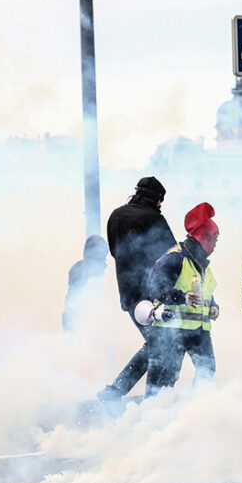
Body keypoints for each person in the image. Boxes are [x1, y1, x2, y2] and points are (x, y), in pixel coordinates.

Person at [96, 177, 176, 413]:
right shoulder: (154, 218)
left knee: (156, 343)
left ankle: (119, 391)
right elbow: (171, 255)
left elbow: (114, 252)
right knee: (160, 344)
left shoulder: (115, 216)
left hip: (129, 293)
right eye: (161, 200)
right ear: (157, 199)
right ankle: (147, 402)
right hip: (153, 294)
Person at [138, 203, 220, 395]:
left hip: (198, 331)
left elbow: (206, 292)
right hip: (171, 329)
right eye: (214, 238)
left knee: (206, 370)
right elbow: (156, 289)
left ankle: (195, 411)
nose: (216, 243)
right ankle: (152, 417)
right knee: (165, 379)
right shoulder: (175, 258)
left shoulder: (202, 264)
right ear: (204, 237)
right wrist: (183, 298)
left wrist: (214, 306)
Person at [63, 234, 108, 333]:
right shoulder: (81, 272)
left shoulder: (79, 269)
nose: (105, 264)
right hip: (80, 323)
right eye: (101, 259)